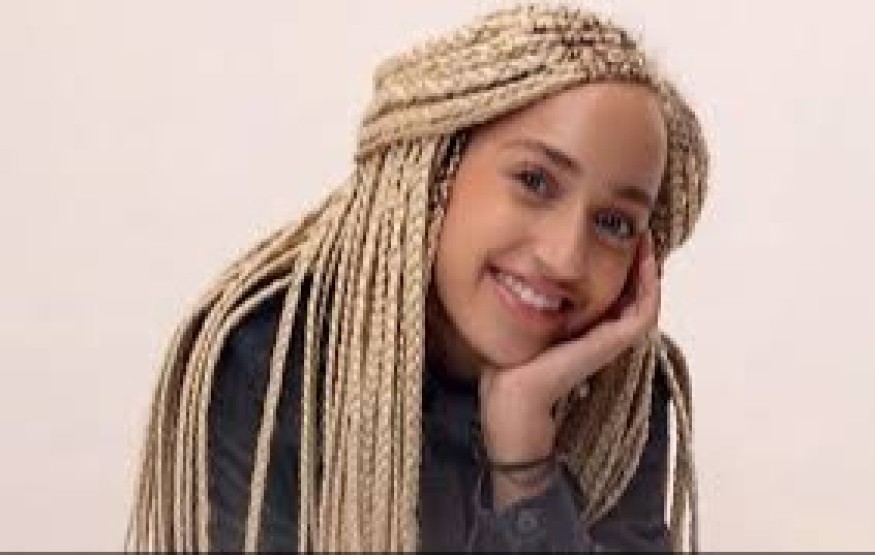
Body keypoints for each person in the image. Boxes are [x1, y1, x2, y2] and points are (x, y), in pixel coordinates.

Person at [126, 4, 708, 552]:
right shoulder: (276, 361)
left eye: (614, 223)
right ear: (436, 168)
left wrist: (525, 468)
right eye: (535, 181)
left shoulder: (619, 394)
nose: (565, 258)